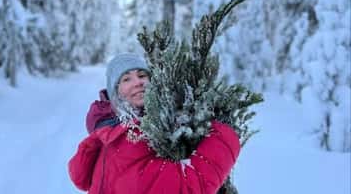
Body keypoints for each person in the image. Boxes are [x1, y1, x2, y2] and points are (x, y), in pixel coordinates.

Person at [68, 53, 240, 194]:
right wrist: (223, 135)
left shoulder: (112, 133)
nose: (138, 82)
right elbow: (189, 186)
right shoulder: (129, 139)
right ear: (115, 92)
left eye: (142, 75)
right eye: (126, 79)